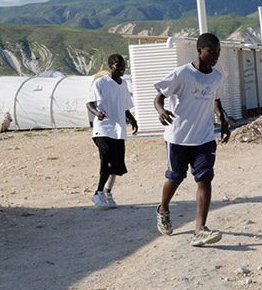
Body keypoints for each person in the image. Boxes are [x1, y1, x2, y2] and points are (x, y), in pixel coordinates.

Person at [154, 33, 231, 247]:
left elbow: (216, 99)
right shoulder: (182, 74)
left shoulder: (217, 76)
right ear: (200, 51)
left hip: (204, 137)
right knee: (175, 177)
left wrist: (222, 120)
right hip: (178, 137)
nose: (216, 56)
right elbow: (159, 95)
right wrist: (161, 111)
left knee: (205, 179)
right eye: (212, 51)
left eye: (218, 52)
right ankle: (163, 209)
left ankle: (200, 230)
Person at [86, 54, 138, 209]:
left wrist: (132, 119)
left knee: (116, 165)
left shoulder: (123, 84)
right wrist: (97, 113)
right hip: (103, 129)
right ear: (111, 66)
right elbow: (89, 103)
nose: (122, 68)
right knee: (106, 161)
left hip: (118, 130)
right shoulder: (101, 83)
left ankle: (108, 192)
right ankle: (98, 194)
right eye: (118, 65)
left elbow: (125, 107)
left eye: (123, 65)